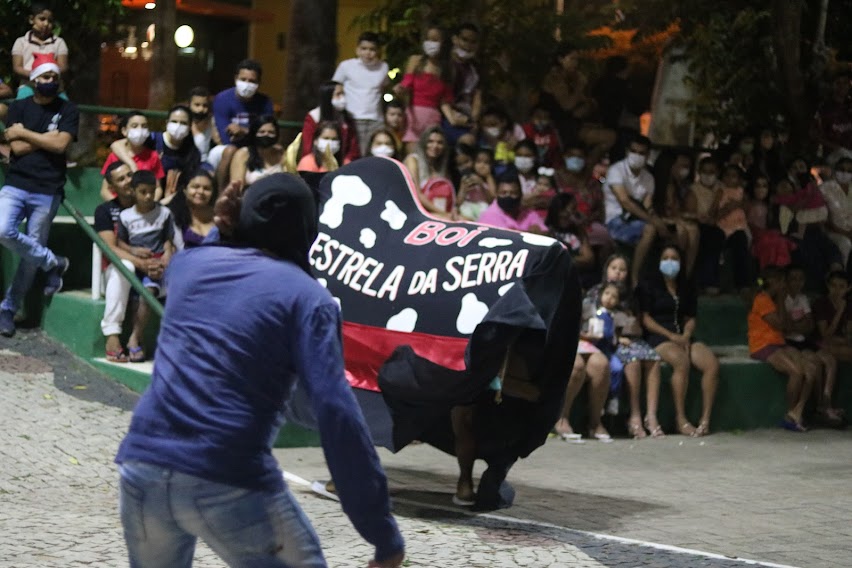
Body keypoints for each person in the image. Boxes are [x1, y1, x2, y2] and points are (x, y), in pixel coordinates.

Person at [115, 173, 406, 568]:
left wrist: (226, 228)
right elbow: (337, 413)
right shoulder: (309, 299)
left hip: (142, 464)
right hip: (228, 474)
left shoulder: (187, 266)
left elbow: (219, 252)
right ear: (309, 229)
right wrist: (381, 531)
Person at [0, 53, 78, 338]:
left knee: (30, 249)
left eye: (55, 77)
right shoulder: (18, 107)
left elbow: (60, 146)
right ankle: (53, 261)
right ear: (34, 80)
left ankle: (8, 309)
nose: (51, 81)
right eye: (46, 76)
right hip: (17, 183)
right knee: (2, 229)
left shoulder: (68, 109)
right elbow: (17, 148)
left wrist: (28, 134)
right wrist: (47, 137)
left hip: (48, 188)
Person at [637, 246, 719, 436]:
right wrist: (671, 336)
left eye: (674, 258)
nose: (670, 262)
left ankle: (705, 420)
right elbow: (646, 319)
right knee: (681, 361)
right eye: (665, 258)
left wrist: (686, 335)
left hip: (682, 336)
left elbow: (690, 317)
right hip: (658, 336)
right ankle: (680, 419)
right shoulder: (648, 285)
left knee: (711, 364)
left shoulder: (686, 286)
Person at [585, 254, 663, 438]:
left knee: (653, 359)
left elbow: (637, 325)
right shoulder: (595, 293)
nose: (618, 273)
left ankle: (651, 416)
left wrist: (631, 326)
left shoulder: (632, 294)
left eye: (622, 270)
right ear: (606, 270)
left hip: (630, 338)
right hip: (608, 341)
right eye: (614, 268)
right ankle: (634, 416)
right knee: (633, 360)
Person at [117, 171, 182, 362]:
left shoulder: (164, 213)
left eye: (152, 192)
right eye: (143, 192)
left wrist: (167, 254)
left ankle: (134, 338)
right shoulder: (126, 216)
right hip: (137, 265)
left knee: (149, 291)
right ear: (133, 191)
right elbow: (120, 242)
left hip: (157, 265)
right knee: (136, 298)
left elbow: (168, 239)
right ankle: (138, 339)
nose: (148, 196)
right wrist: (134, 250)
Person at [747, 265, 817, 432]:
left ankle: (796, 412)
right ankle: (790, 414)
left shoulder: (774, 300)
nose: (784, 285)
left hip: (779, 343)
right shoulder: (762, 299)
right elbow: (781, 325)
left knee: (811, 369)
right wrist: (780, 299)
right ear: (773, 282)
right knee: (796, 372)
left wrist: (780, 301)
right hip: (763, 345)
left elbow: (785, 324)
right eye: (781, 282)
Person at [603, 135, 667, 286]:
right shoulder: (616, 170)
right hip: (616, 221)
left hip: (637, 221)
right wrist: (654, 222)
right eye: (633, 151)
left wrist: (659, 221)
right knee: (650, 229)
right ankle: (634, 277)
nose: (636, 155)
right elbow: (625, 202)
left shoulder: (648, 178)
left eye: (641, 153)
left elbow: (648, 206)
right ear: (627, 151)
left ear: (647, 155)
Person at [95, 161, 143, 362]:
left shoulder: (148, 207)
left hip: (148, 270)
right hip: (114, 272)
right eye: (121, 179)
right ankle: (112, 335)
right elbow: (110, 248)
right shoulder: (105, 210)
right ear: (112, 187)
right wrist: (139, 262)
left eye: (129, 175)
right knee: (126, 266)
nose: (128, 181)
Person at [784, 265, 843, 426]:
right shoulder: (783, 300)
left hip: (804, 340)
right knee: (815, 364)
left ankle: (826, 403)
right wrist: (799, 325)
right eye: (793, 279)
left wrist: (796, 325)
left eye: (800, 279)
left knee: (830, 360)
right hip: (789, 342)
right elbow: (785, 328)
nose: (797, 283)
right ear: (786, 281)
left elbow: (809, 325)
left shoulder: (802, 298)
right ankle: (818, 407)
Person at [108, 104, 201, 203]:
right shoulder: (151, 139)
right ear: (167, 123)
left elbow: (187, 185)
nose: (178, 126)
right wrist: (132, 165)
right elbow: (116, 145)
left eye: (183, 123)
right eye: (174, 121)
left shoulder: (193, 153)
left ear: (190, 126)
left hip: (171, 201)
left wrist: (163, 203)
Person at [539, 43, 615, 163]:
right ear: (560, 59)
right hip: (560, 126)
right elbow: (567, 105)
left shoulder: (572, 77)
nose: (575, 63)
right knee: (608, 137)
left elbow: (585, 101)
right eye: (572, 59)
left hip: (574, 123)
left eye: (577, 60)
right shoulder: (554, 78)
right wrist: (580, 86)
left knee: (610, 136)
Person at [211, 59, 274, 189]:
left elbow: (267, 135)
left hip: (255, 148)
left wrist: (243, 131)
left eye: (252, 81)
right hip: (225, 149)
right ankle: (221, 193)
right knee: (231, 150)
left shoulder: (265, 102)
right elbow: (225, 138)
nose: (247, 84)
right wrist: (254, 133)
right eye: (243, 79)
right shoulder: (222, 99)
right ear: (236, 79)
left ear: (258, 83)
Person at [393, 25, 456, 153]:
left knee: (430, 155)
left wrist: (453, 119)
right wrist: (400, 89)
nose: (431, 43)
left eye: (435, 40)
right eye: (428, 39)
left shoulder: (447, 69)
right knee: (412, 156)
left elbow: (444, 100)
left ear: (443, 43)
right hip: (413, 118)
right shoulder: (415, 61)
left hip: (433, 119)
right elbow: (406, 84)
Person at [333, 31, 390, 153]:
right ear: (357, 50)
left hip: (376, 119)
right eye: (364, 49)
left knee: (374, 152)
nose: (367, 53)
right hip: (353, 118)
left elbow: (384, 89)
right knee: (353, 152)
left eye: (372, 49)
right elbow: (337, 87)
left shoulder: (383, 67)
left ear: (378, 51)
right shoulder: (346, 66)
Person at [651, 149, 700, 277]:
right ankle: (672, 273)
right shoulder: (655, 184)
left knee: (693, 230)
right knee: (682, 230)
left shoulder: (677, 186)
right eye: (678, 166)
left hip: (673, 219)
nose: (681, 170)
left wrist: (692, 216)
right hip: (659, 220)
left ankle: (686, 274)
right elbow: (656, 211)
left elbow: (676, 212)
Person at [100, 111, 165, 201]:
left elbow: (158, 188)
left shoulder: (153, 156)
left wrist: (149, 205)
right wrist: (118, 206)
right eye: (134, 126)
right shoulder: (114, 156)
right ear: (124, 131)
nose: (140, 130)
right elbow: (105, 190)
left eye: (144, 126)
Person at [11, 3, 69, 100]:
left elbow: (63, 67)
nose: (46, 24)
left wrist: (49, 76)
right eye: (42, 19)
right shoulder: (21, 42)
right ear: (31, 19)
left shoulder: (59, 42)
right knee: (21, 105)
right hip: (29, 86)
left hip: (55, 88)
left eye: (50, 21)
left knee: (66, 106)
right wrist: (36, 75)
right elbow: (17, 67)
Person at [301, 81, 361, 165]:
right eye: (338, 94)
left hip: (342, 164)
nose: (342, 98)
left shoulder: (347, 119)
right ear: (327, 96)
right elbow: (307, 146)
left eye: (343, 94)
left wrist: (348, 161)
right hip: (317, 163)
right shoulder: (314, 117)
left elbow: (353, 146)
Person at [443, 22, 482, 145]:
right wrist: (452, 117)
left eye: (473, 42)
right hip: (446, 118)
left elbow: (477, 97)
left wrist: (473, 120)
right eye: (464, 40)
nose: (468, 45)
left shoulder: (476, 68)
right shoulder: (444, 65)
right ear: (455, 39)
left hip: (468, 119)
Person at [403, 126, 454, 215]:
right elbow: (416, 194)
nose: (435, 146)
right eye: (430, 141)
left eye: (440, 143)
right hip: (414, 210)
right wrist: (444, 214)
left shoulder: (441, 167)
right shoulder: (413, 160)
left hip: (435, 211)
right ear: (423, 143)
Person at [477, 174, 546, 233]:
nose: (508, 196)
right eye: (503, 193)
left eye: (513, 193)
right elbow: (507, 236)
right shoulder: (489, 215)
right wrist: (531, 233)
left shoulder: (528, 213)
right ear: (497, 194)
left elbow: (545, 233)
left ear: (520, 194)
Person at [230, 115, 287, 186]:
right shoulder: (243, 154)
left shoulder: (280, 153)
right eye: (261, 132)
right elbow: (236, 186)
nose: (266, 135)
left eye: (271, 132)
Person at [168, 169, 216, 248]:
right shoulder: (174, 215)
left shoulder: (219, 215)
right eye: (195, 187)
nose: (201, 191)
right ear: (185, 190)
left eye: (206, 188)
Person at [819, 156, 852, 270]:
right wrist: (844, 233)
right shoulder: (824, 188)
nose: (845, 173)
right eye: (842, 169)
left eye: (849, 171)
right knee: (845, 244)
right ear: (835, 170)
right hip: (832, 232)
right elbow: (823, 218)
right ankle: (841, 276)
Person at [814, 270, 852, 361]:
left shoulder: (849, 304)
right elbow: (825, 335)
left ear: (848, 288)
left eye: (841, 286)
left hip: (840, 342)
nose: (837, 290)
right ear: (828, 285)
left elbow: (848, 333)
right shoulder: (821, 303)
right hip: (821, 342)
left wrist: (845, 339)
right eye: (833, 285)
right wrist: (840, 311)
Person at [188, 86, 221, 167]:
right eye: (197, 105)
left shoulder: (212, 121)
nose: (201, 109)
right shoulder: (184, 120)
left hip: (204, 164)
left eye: (205, 105)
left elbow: (219, 142)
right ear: (189, 105)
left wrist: (212, 124)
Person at [521, 105, 563, 169]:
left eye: (545, 117)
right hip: (526, 166)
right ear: (531, 118)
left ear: (550, 120)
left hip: (548, 168)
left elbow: (556, 154)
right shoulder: (524, 130)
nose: (541, 120)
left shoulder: (554, 133)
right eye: (538, 116)